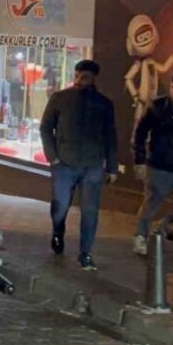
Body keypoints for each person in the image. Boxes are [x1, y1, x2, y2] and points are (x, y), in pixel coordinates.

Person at [40, 59, 118, 271]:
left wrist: (112, 166)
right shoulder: (59, 98)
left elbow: (110, 135)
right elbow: (46, 127)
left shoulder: (104, 104)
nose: (80, 79)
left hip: (92, 164)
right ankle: (58, 230)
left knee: (90, 211)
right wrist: (53, 157)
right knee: (60, 206)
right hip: (64, 163)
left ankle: (86, 253)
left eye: (85, 76)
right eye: (77, 75)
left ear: (94, 78)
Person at [132, 70, 173, 256]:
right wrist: (139, 159)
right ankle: (140, 236)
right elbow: (140, 134)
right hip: (159, 164)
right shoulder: (157, 106)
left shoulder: (158, 106)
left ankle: (143, 236)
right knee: (151, 203)